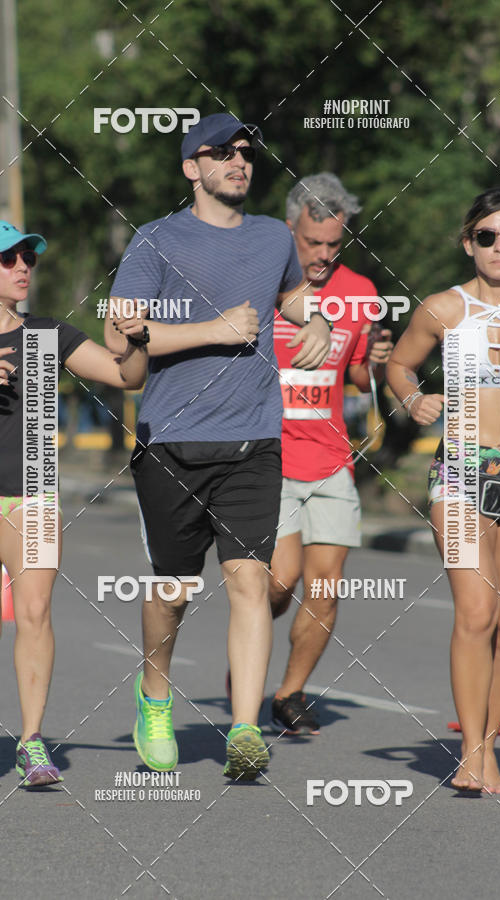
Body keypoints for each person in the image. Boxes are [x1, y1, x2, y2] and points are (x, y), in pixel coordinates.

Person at [105, 113, 331, 780]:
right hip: (172, 440)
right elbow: (124, 339)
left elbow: (288, 294)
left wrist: (312, 318)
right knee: (173, 590)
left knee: (249, 581)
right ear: (190, 167)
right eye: (222, 152)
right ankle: (154, 697)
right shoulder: (155, 241)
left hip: (255, 439)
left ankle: (243, 727)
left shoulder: (271, 237)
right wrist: (216, 330)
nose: (239, 161)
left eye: (245, 152)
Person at [0, 219, 148, 787]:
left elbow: (123, 377)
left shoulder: (45, 335)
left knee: (35, 614)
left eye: (27, 258)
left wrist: (135, 342)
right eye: (7, 259)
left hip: (33, 495)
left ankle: (33, 741)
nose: (22, 268)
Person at [386, 186, 500, 793]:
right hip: (458, 471)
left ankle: (487, 748)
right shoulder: (443, 310)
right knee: (475, 615)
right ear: (468, 243)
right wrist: (412, 398)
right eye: (487, 236)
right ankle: (470, 757)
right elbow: (398, 365)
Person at [269, 173, 393, 734]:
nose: (321, 254)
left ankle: (289, 693)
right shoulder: (263, 279)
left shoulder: (361, 293)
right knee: (278, 585)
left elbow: (361, 377)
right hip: (266, 459)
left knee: (325, 587)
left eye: (333, 244)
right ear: (291, 227)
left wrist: (379, 360)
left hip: (330, 460)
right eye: (311, 241)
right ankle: (250, 640)